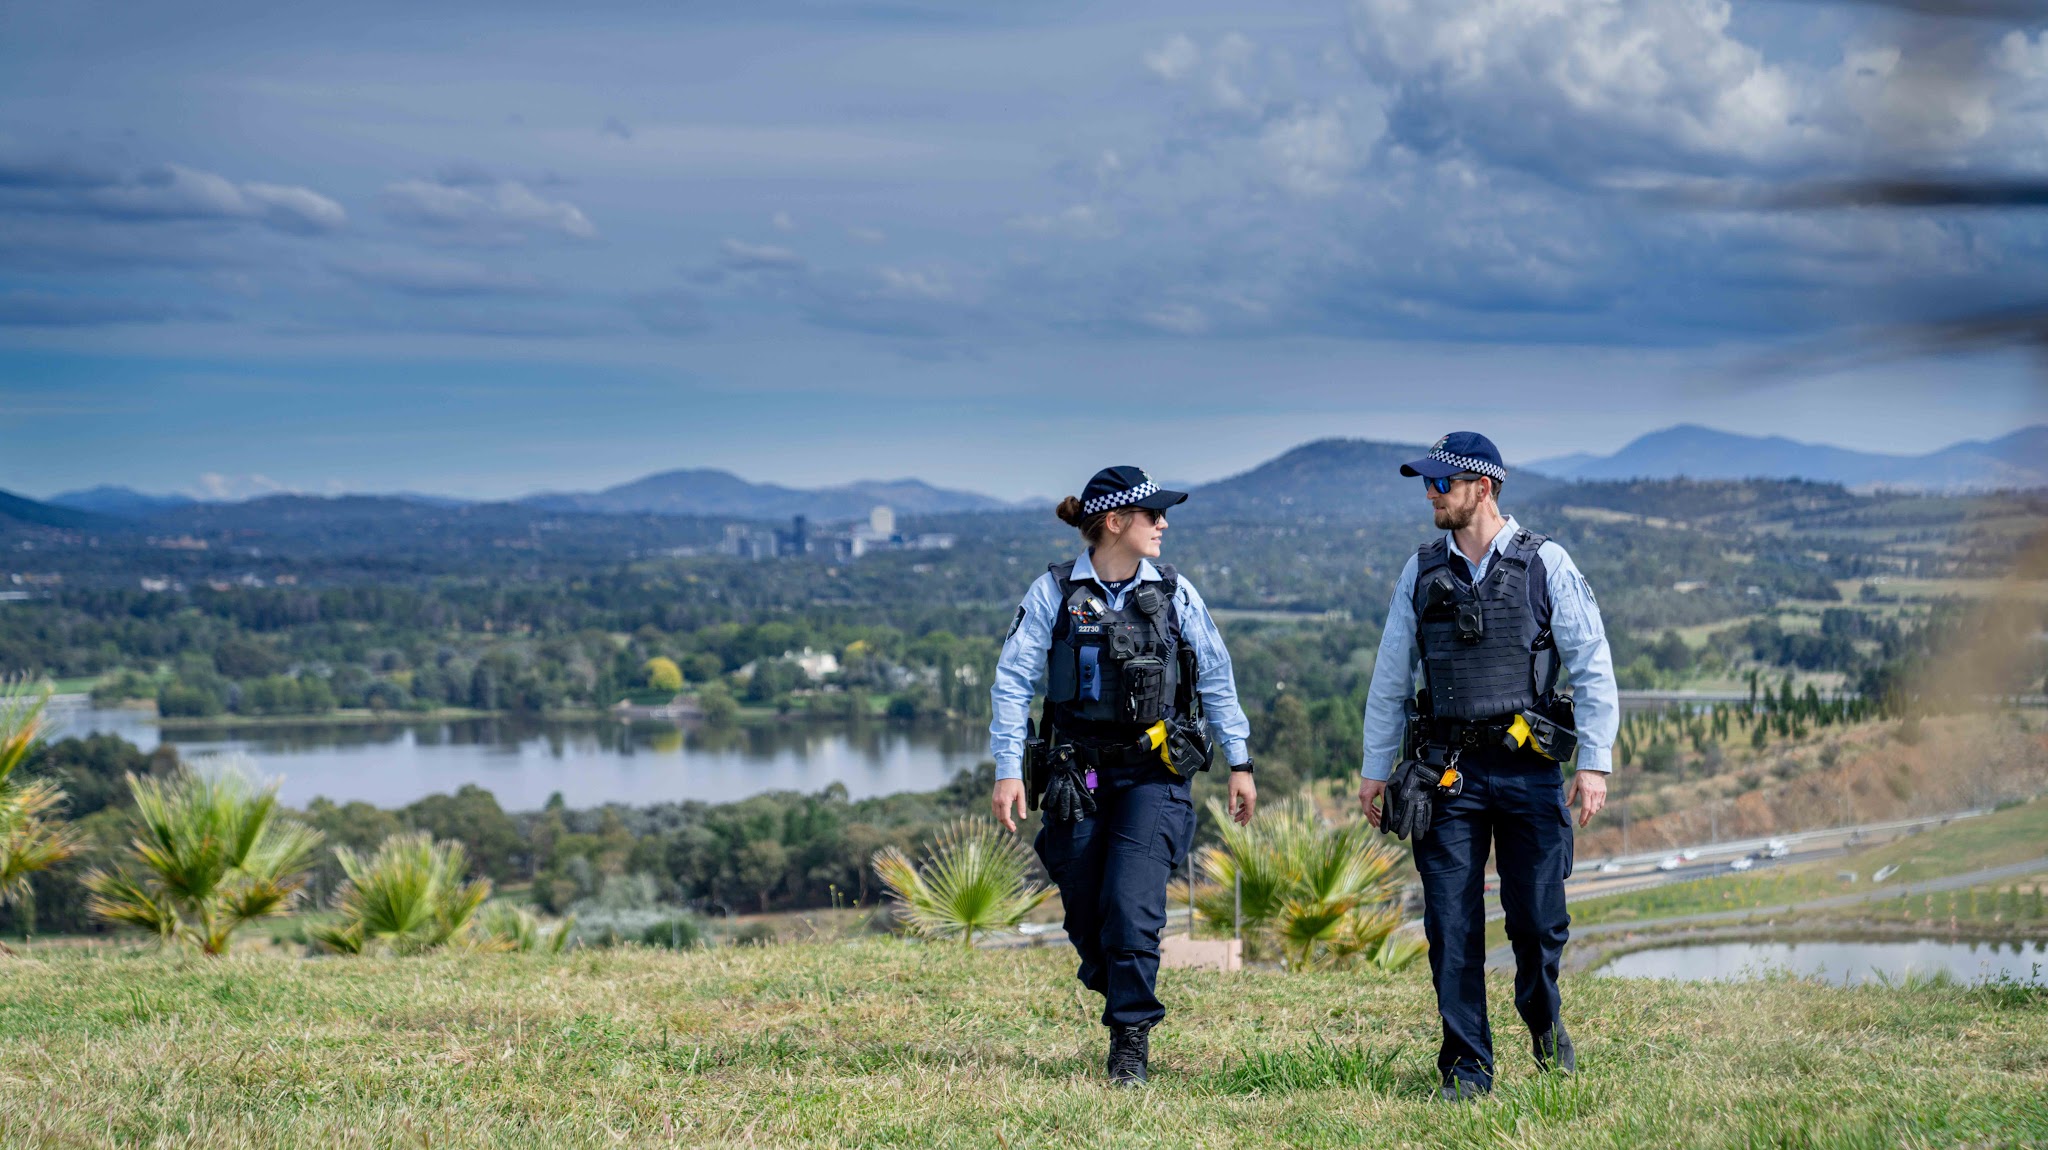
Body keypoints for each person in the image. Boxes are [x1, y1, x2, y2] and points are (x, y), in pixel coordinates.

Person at [1357, 432, 1618, 1101]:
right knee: (1451, 923)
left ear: (1485, 487)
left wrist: (1594, 764)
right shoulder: (1418, 572)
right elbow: (1391, 675)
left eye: (1444, 483)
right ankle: (1467, 1067)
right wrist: (1375, 766)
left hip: (1529, 770)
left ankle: (1541, 1015)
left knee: (1536, 919)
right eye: (1428, 483)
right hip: (1446, 773)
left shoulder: (1546, 563)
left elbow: (1591, 666)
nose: (1432, 494)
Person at [989, 465, 1258, 1087]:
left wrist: (1239, 762)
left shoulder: (1174, 591)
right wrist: (1009, 770)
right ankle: (1118, 978)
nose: (1163, 525)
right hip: (1074, 775)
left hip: (1153, 774)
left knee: (1131, 905)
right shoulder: (1052, 592)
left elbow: (1216, 675)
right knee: (1086, 910)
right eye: (1151, 515)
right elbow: (1012, 683)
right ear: (1114, 523)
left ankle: (1130, 1041)